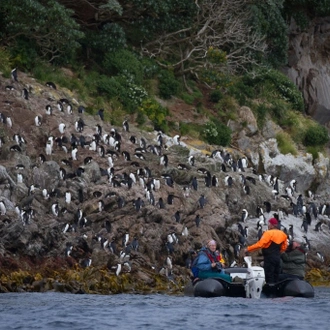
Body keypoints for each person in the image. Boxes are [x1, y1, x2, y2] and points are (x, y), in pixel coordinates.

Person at [244, 218, 288, 284]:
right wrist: (278, 252)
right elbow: (284, 247)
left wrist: (248, 249)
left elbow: (260, 244)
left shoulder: (268, 233)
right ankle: (276, 291)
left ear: (272, 225)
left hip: (269, 257)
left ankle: (269, 292)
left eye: (269, 223)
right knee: (276, 275)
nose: (268, 225)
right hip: (277, 257)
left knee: (269, 275)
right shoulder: (283, 234)